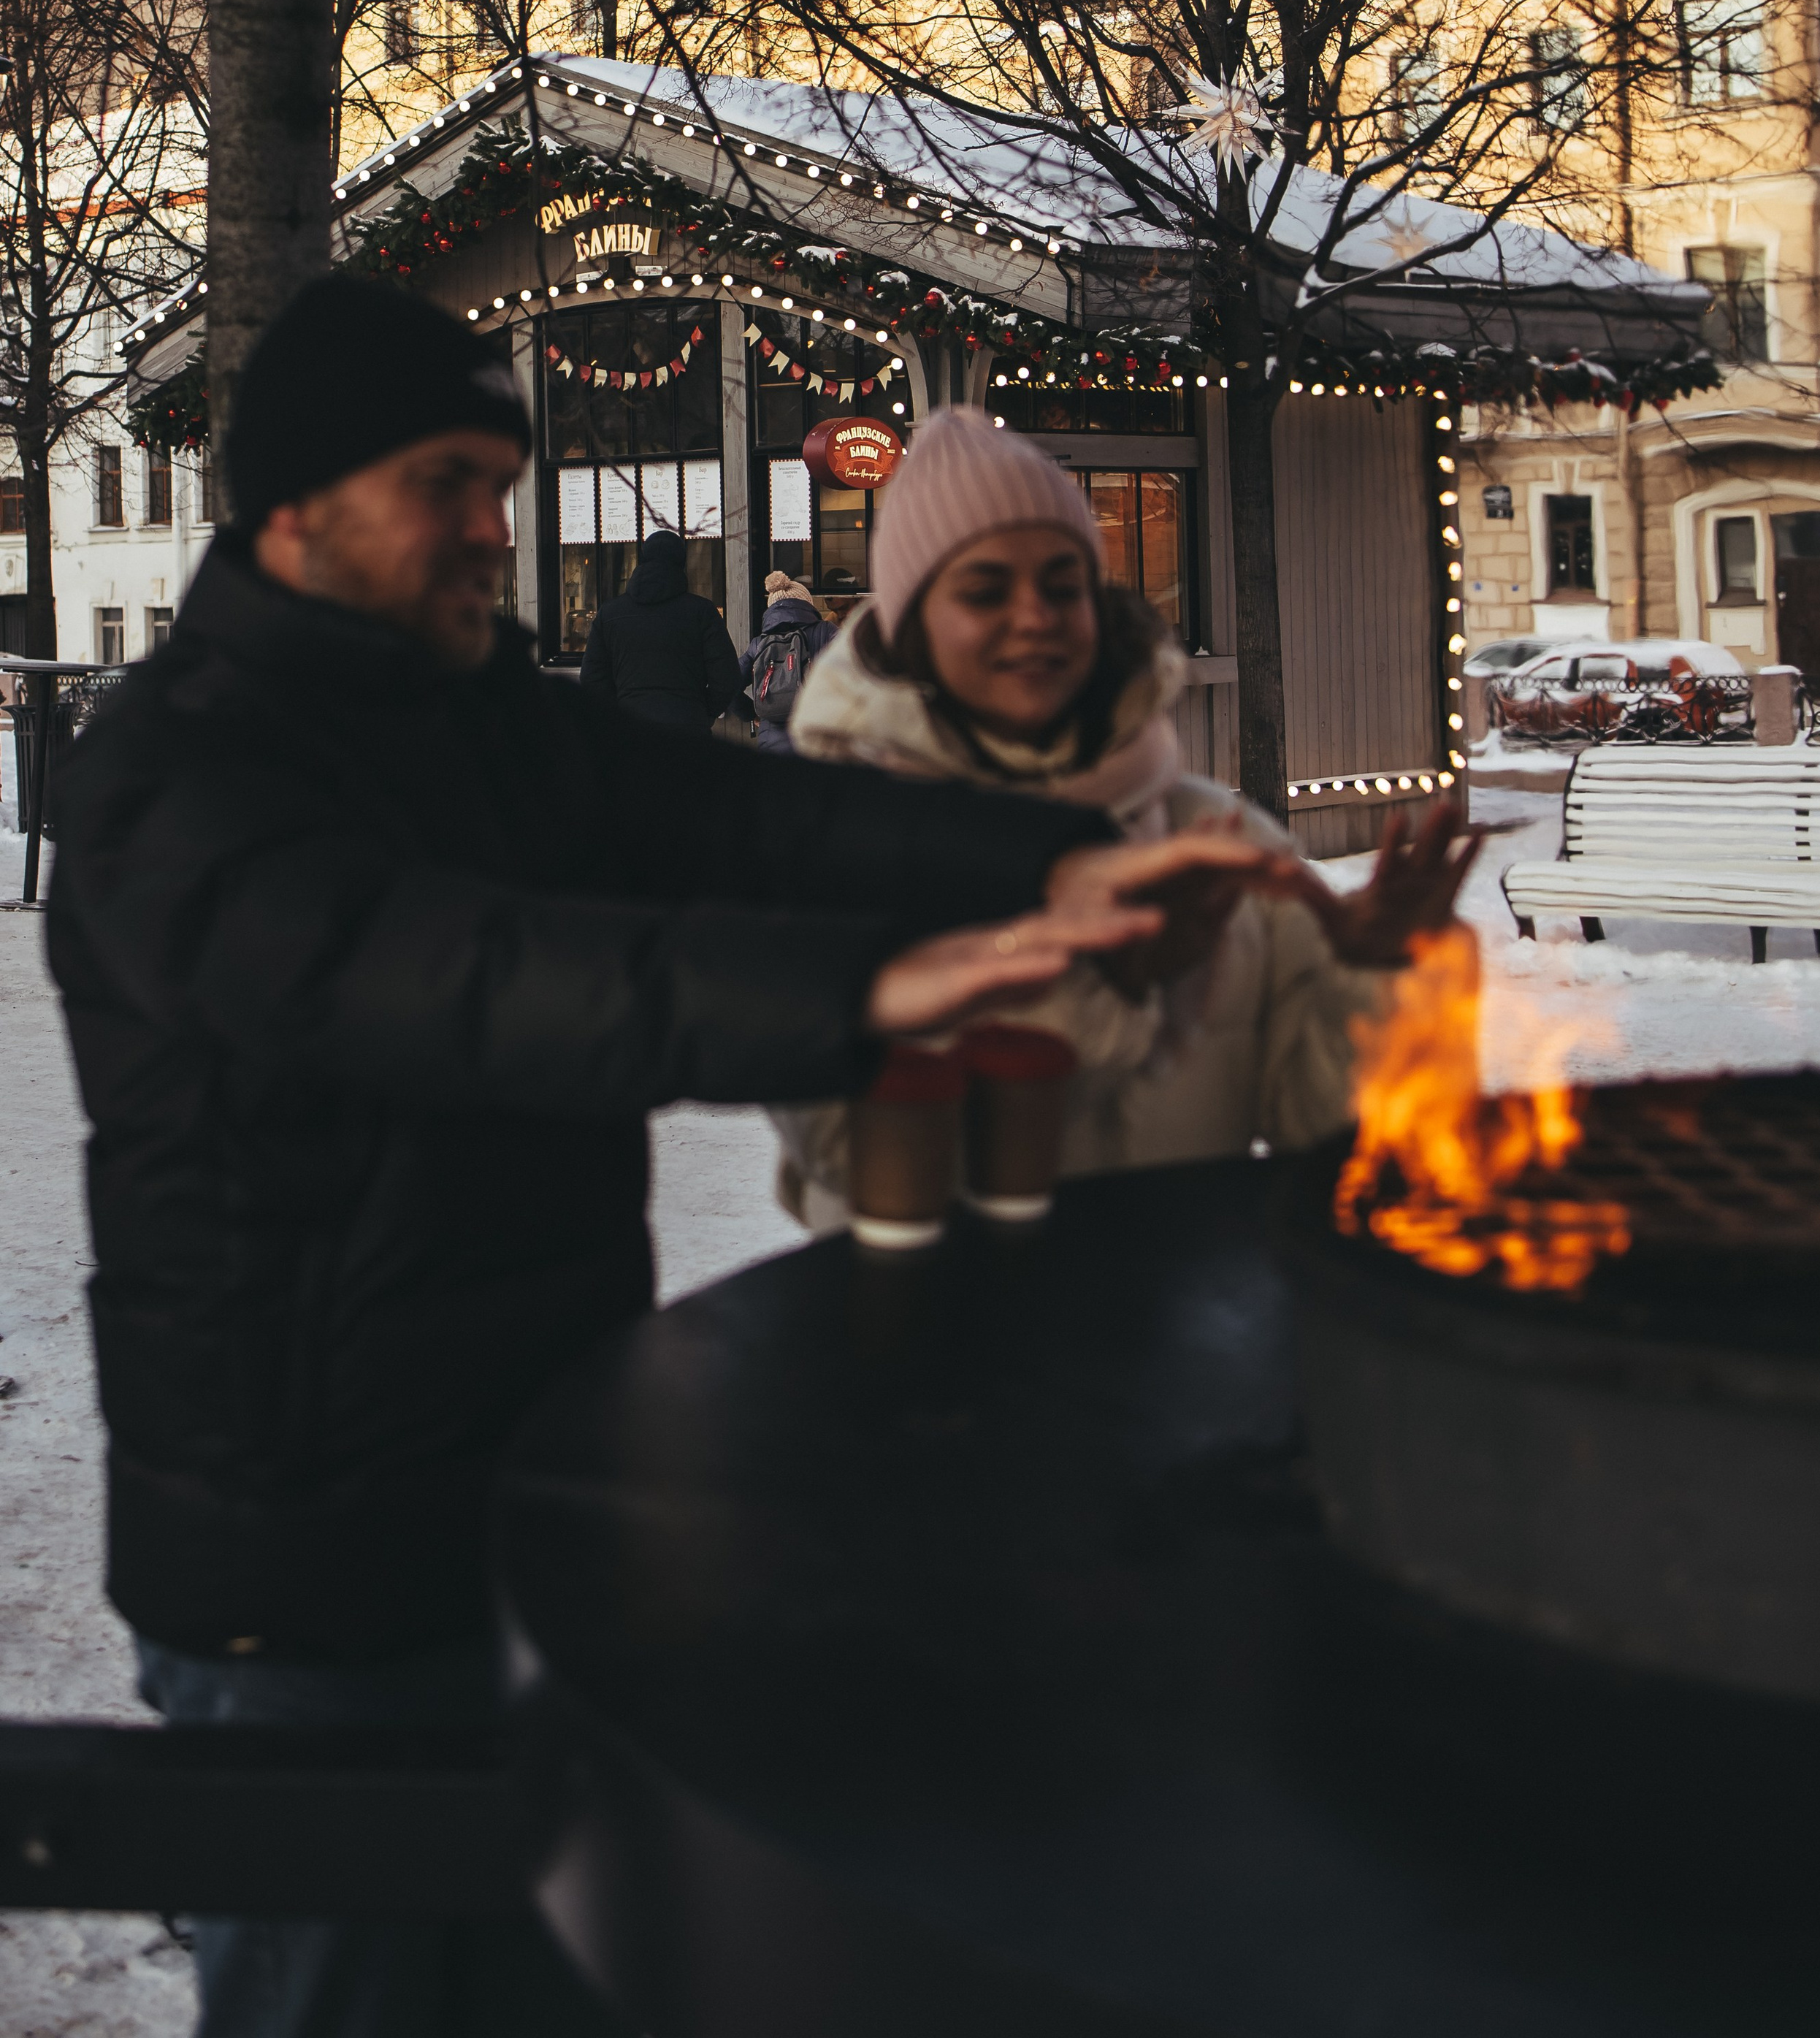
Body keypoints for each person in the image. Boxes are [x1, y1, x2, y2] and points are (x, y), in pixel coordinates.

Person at [46, 280, 1268, 2038]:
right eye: (450, 481)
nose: (496, 525)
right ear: (296, 503)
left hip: (535, 1513)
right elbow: (477, 982)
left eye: (504, 480)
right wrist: (869, 990)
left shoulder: (486, 717)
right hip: (309, 1589)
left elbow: (750, 812)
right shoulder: (171, 775)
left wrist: (1035, 869)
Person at [776, 408, 1477, 1230]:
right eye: (984, 590)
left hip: (1184, 1341)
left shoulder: (1219, 846)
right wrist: (1107, 984)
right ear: (908, 628)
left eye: (1063, 586)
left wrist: (1383, 979)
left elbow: (1346, 1162)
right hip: (926, 1342)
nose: (1035, 615)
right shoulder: (835, 847)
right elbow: (845, 1155)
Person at [578, 525, 743, 729]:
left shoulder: (610, 613)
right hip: (687, 723)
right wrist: (704, 712)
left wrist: (617, 715)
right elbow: (727, 676)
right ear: (681, 563)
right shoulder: (701, 611)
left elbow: (592, 678)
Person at [740, 568, 838, 751]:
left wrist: (752, 714)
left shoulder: (759, 643)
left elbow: (729, 683)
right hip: (820, 736)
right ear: (808, 604)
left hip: (772, 740)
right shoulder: (827, 632)